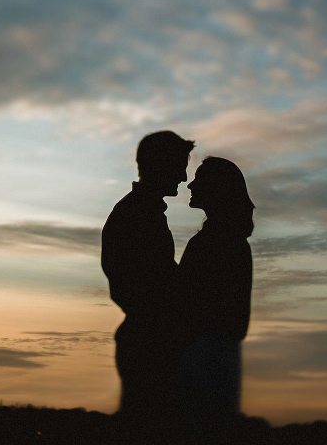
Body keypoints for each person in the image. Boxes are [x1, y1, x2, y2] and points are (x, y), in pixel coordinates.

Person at [101, 130, 195, 437]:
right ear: (160, 165)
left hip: (150, 342)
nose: (183, 177)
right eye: (180, 165)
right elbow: (134, 287)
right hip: (150, 347)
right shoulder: (136, 214)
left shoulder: (143, 212)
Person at [178, 156, 255, 438]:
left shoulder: (218, 243)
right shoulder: (227, 241)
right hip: (213, 357)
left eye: (199, 179)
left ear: (216, 189)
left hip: (207, 361)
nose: (191, 184)